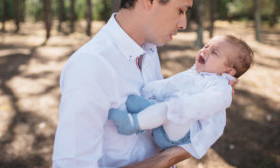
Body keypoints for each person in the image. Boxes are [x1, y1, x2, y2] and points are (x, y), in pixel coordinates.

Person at [52, 0, 203, 167]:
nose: (183, 23)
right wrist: (169, 158)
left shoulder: (149, 51)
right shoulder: (90, 66)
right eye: (181, 10)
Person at [108, 35, 254, 159]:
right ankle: (146, 111)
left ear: (228, 70)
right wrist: (148, 91)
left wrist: (177, 106)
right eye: (206, 46)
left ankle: (133, 123)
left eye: (214, 52)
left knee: (168, 109)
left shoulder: (221, 89)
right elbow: (171, 84)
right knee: (160, 107)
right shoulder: (195, 74)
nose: (205, 50)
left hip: (182, 133)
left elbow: (203, 105)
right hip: (166, 125)